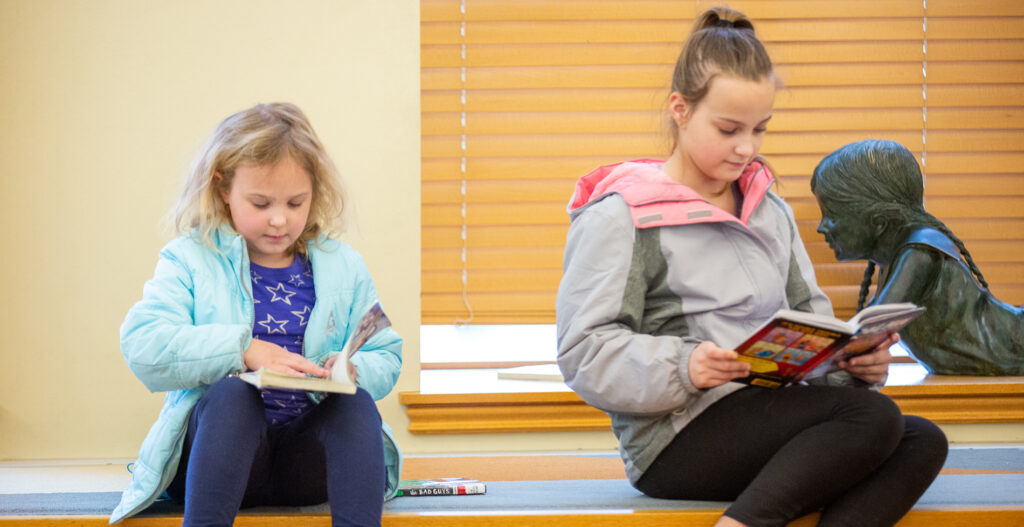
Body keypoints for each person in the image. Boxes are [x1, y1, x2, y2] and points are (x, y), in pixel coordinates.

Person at [556, 8, 948, 527]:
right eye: (728, 129)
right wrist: (686, 365)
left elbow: (812, 324)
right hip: (677, 439)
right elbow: (584, 351)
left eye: (760, 129)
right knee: (873, 420)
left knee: (921, 439)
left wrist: (852, 365)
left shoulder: (770, 211)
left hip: (767, 413)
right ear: (680, 109)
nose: (747, 148)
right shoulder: (623, 215)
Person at [111, 102, 403, 527]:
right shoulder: (190, 258)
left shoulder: (344, 265)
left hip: (305, 463)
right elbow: (143, 343)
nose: (280, 219)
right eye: (261, 203)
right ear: (222, 187)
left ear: (314, 194)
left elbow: (387, 354)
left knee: (355, 406)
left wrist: (353, 369)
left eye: (295, 202)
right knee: (233, 396)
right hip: (217, 459)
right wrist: (242, 350)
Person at [812, 139, 1024, 375]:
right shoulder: (897, 256)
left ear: (879, 222)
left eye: (831, 215)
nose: (821, 227)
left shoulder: (919, 253)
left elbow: (869, 330)